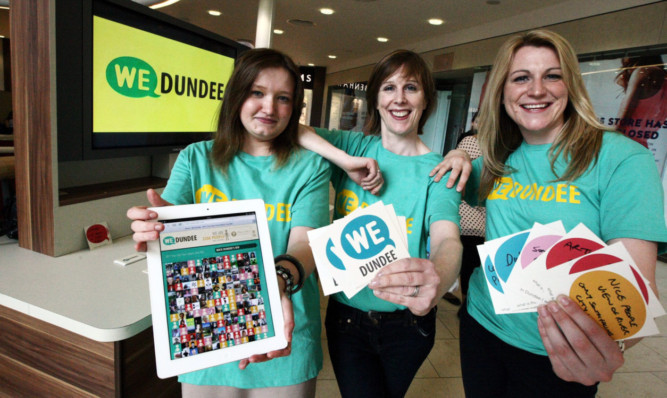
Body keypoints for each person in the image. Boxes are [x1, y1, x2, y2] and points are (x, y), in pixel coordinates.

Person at [127, 48, 378, 398]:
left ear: (295, 109)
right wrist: (154, 226)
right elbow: (171, 224)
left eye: (283, 98)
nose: (269, 108)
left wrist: (278, 279)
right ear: (236, 96)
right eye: (257, 93)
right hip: (206, 332)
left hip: (285, 337)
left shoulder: (310, 166)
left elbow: (306, 244)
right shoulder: (196, 158)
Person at [430, 29, 667, 397]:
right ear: (503, 92)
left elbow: (636, 292)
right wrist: (459, 153)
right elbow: (443, 184)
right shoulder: (499, 157)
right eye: (521, 77)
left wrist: (608, 345)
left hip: (556, 352)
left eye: (552, 76)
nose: (536, 90)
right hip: (481, 324)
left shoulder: (621, 158)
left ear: (570, 84)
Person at [299, 49, 462, 398]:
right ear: (375, 98)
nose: (399, 98)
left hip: (407, 323)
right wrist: (343, 162)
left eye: (411, 88)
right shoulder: (353, 145)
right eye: (388, 88)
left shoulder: (438, 170)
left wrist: (438, 282)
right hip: (345, 318)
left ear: (426, 100)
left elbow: (448, 240)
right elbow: (290, 129)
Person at [453, 112, 485, 305]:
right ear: (473, 122)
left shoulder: (496, 145)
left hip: (482, 219)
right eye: (480, 119)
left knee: (471, 263)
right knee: (469, 263)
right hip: (468, 216)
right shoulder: (470, 143)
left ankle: (466, 300)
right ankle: (465, 301)